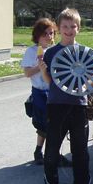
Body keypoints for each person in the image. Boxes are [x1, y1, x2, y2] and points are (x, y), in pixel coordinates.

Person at [38, 8, 93, 184]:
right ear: (59, 29)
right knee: (52, 147)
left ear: (78, 28)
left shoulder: (85, 53)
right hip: (57, 105)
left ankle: (82, 183)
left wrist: (91, 83)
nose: (69, 30)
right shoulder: (51, 53)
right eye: (65, 26)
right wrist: (42, 70)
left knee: (80, 148)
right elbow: (50, 82)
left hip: (79, 104)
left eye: (73, 26)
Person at [21, 18, 55, 164]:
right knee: (42, 123)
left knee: (54, 124)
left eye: (51, 33)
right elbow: (27, 73)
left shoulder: (54, 51)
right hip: (39, 92)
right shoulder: (31, 51)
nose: (49, 36)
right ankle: (39, 151)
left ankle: (51, 153)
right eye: (45, 34)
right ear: (37, 35)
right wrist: (40, 66)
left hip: (53, 92)